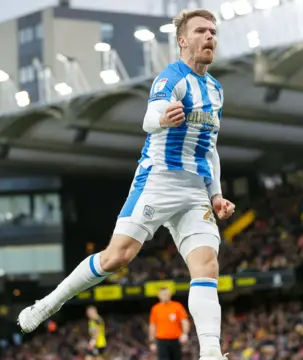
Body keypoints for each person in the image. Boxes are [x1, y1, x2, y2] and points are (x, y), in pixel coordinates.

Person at [17, 8, 234, 360]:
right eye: (201, 31)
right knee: (117, 258)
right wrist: (163, 117)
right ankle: (48, 304)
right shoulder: (173, 77)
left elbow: (210, 149)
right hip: (158, 179)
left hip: (196, 191)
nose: (210, 36)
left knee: (207, 266)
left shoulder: (216, 91)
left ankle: (211, 352)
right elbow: (149, 118)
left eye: (213, 31)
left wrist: (216, 194)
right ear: (182, 40)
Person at [149, 287, 190, 360]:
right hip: (161, 341)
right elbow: (152, 326)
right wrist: (152, 342)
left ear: (170, 295)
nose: (164, 296)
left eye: (166, 294)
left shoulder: (177, 306)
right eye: (162, 294)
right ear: (159, 296)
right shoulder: (155, 309)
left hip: (176, 340)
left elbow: (184, 321)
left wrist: (185, 334)